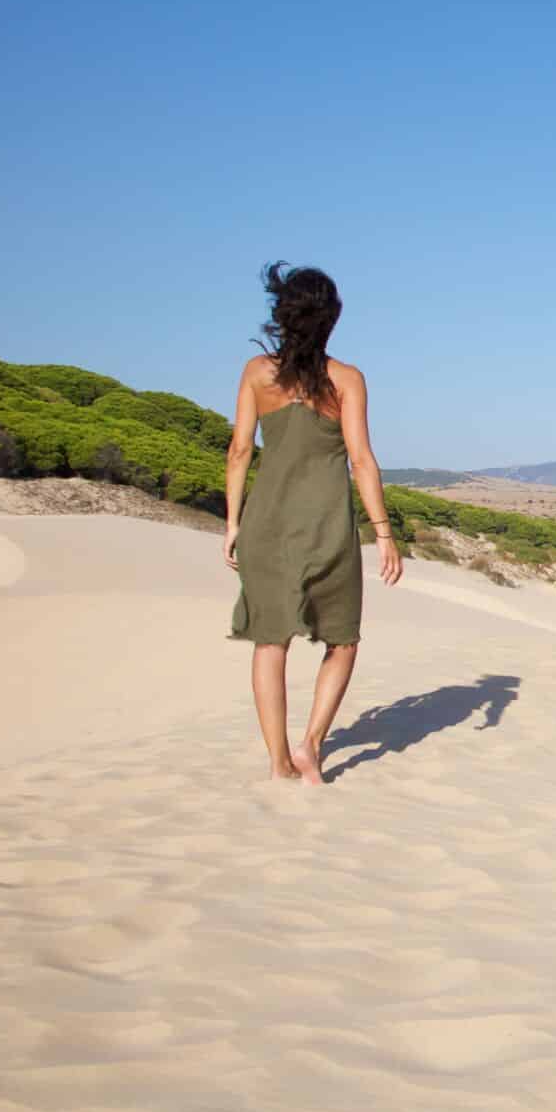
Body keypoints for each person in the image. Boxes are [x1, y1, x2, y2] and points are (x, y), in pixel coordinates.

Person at [224, 264, 402, 784]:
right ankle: (311, 746)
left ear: (282, 315)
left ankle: (279, 762)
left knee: (269, 641)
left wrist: (232, 523)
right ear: (332, 320)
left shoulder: (258, 372)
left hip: (266, 526)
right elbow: (362, 461)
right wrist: (384, 534)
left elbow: (239, 451)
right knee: (342, 640)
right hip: (327, 529)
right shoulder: (346, 379)